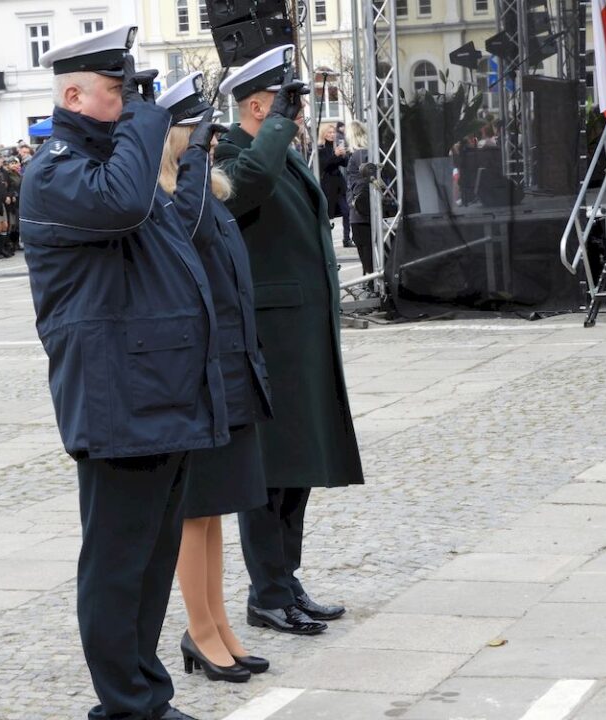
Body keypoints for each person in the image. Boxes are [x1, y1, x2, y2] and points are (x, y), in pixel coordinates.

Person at [20, 26, 228, 720]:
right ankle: (123, 706)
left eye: (130, 90)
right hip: (118, 401)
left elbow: (179, 230)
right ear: (73, 95)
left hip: (159, 395)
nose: (129, 103)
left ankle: (146, 696)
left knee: (146, 564)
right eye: (116, 92)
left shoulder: (116, 162)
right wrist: (149, 116)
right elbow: (125, 205)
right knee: (116, 566)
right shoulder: (55, 171)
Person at [215, 46, 365, 635]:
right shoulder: (227, 154)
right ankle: (267, 592)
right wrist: (276, 127)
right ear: (256, 105)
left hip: (301, 332)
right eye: (285, 102)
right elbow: (248, 188)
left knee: (298, 464)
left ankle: (287, 578)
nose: (297, 113)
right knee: (270, 470)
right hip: (269, 336)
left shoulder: (276, 148)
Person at [156, 73, 273, 684]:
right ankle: (198, 630)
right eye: (197, 134)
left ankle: (219, 622)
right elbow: (192, 227)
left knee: (215, 510)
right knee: (193, 511)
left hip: (227, 369)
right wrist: (194, 161)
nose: (209, 144)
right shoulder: (170, 200)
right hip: (194, 378)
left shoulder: (209, 190)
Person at [345, 120, 374, 275]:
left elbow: (363, 182)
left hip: (360, 213)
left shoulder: (359, 154)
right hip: (360, 212)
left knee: (366, 255)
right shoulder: (363, 154)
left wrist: (354, 202)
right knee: (366, 253)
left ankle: (369, 282)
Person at [317, 123, 351, 248]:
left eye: (333, 132)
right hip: (327, 184)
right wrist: (335, 155)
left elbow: (345, 164)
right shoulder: (320, 149)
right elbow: (324, 165)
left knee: (346, 211)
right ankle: (326, 242)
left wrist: (343, 155)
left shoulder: (336, 147)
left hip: (338, 184)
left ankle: (346, 239)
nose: (331, 135)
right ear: (323, 134)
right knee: (328, 215)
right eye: (329, 132)